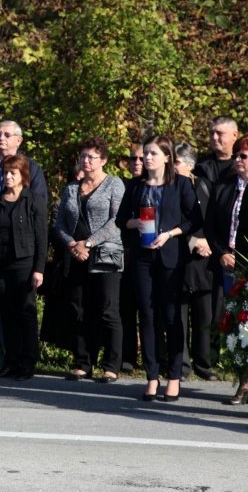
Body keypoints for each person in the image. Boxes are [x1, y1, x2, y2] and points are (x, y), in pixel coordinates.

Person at [116, 135, 202, 402]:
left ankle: (174, 377)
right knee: (148, 316)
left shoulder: (181, 185)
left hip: (171, 257)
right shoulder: (136, 187)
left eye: (152, 153)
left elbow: (195, 220)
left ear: (167, 157)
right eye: (144, 154)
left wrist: (170, 233)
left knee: (172, 315)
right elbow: (121, 220)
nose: (146, 158)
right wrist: (135, 224)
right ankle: (152, 376)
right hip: (143, 257)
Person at [54, 137, 125, 383]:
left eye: (91, 157)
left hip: (105, 255)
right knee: (79, 309)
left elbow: (116, 221)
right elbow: (60, 222)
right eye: (83, 156)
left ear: (103, 160)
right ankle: (83, 362)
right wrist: (72, 243)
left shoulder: (114, 185)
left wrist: (90, 242)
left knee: (107, 310)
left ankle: (111, 365)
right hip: (76, 255)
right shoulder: (71, 189)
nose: (85, 161)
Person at [0, 120, 48, 370]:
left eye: (7, 134)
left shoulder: (33, 179)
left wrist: (38, 267)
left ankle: (27, 361)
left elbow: (40, 229)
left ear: (19, 140)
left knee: (24, 310)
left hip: (23, 257)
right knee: (1, 312)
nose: (1, 137)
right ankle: (3, 359)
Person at [205, 135, 248, 404]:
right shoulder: (225, 186)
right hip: (229, 264)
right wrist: (221, 251)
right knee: (237, 324)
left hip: (247, 264)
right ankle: (243, 381)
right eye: (236, 156)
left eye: (243, 156)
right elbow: (210, 224)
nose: (238, 160)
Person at [174, 142, 217, 381]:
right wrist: (192, 241)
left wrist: (210, 243)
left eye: (177, 162)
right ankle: (181, 365)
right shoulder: (168, 187)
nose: (172, 166)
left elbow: (214, 216)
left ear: (190, 165)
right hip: (180, 254)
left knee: (204, 314)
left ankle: (204, 363)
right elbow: (170, 220)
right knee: (179, 315)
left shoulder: (204, 185)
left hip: (205, 258)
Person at [119, 143, 143, 373]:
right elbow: (120, 219)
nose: (137, 162)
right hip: (127, 253)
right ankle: (127, 356)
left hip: (153, 255)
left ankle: (155, 358)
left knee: (150, 310)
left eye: (141, 159)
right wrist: (131, 223)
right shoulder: (126, 186)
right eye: (133, 158)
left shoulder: (163, 186)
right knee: (126, 309)